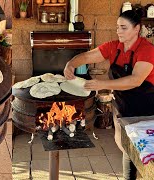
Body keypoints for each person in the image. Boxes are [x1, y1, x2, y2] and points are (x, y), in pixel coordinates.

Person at [64, 10, 154, 180]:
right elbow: (88, 56)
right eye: (117, 27)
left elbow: (135, 80)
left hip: (147, 110)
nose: (118, 31)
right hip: (122, 106)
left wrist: (102, 84)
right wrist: (71, 64)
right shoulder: (114, 47)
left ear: (137, 29)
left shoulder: (147, 50)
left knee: (143, 152)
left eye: (123, 27)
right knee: (126, 147)